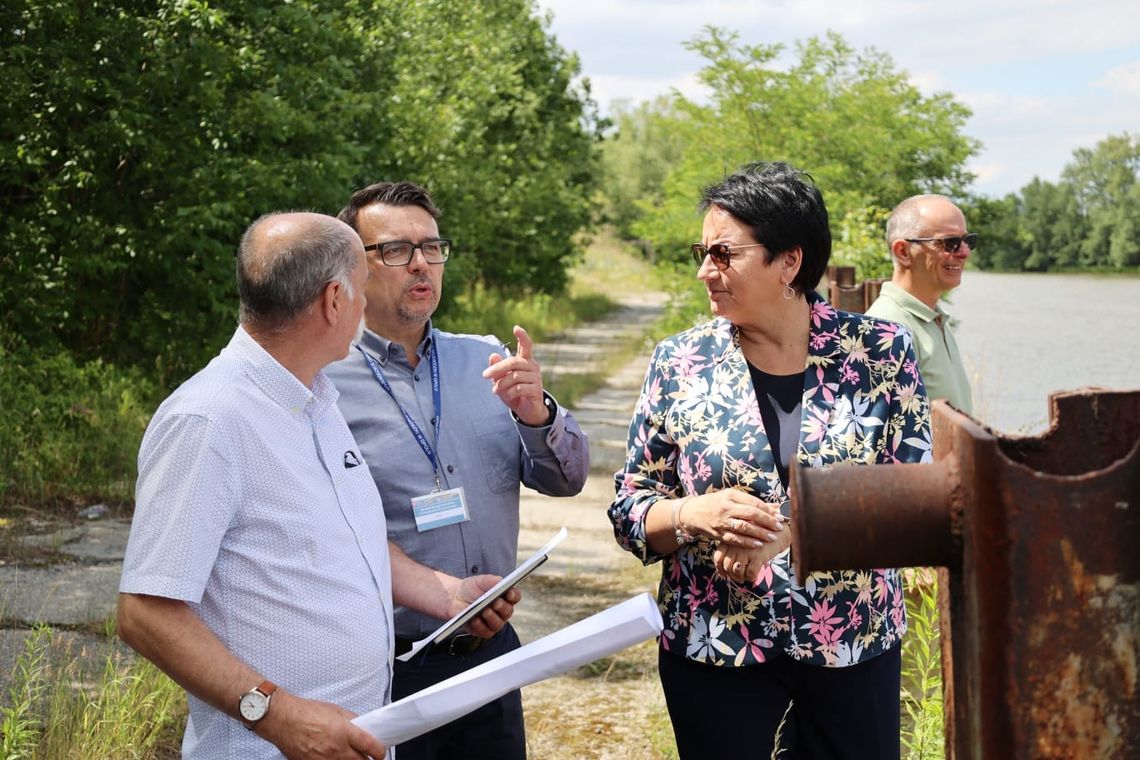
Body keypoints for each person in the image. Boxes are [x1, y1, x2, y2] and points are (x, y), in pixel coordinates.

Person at [117, 212, 519, 760]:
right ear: (335, 300)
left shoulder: (317, 401)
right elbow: (146, 613)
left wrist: (445, 594)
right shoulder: (209, 420)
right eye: (362, 285)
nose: (364, 304)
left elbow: (347, 542)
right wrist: (277, 714)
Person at [608, 163, 933, 760]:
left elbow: (914, 498)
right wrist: (691, 514)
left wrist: (788, 532)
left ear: (789, 262)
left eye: (725, 254)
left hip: (852, 644)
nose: (706, 270)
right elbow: (630, 510)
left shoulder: (881, 353)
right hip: (715, 649)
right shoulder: (679, 360)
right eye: (701, 252)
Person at [326, 181, 589, 760]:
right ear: (353, 267)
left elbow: (566, 478)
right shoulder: (323, 382)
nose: (421, 263)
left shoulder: (488, 358)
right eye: (396, 250)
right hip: (387, 666)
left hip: (492, 657)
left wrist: (538, 413)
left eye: (432, 247)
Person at [866, 194, 974, 413]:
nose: (964, 252)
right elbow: (873, 439)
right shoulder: (886, 329)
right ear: (903, 252)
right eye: (950, 243)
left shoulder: (933, 318)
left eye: (968, 241)